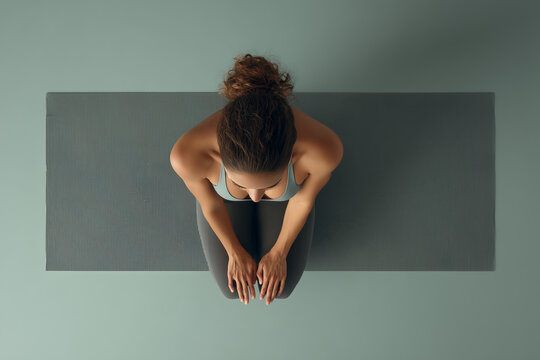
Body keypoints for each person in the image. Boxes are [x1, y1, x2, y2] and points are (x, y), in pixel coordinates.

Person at [170, 53, 343, 305]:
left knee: (282, 289)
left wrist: (279, 253)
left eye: (269, 185)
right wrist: (234, 252)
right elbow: (210, 203)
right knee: (231, 289)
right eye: (242, 185)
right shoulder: (187, 155)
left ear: (291, 155)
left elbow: (304, 199)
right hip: (222, 201)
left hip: (289, 199)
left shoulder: (324, 151)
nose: (255, 197)